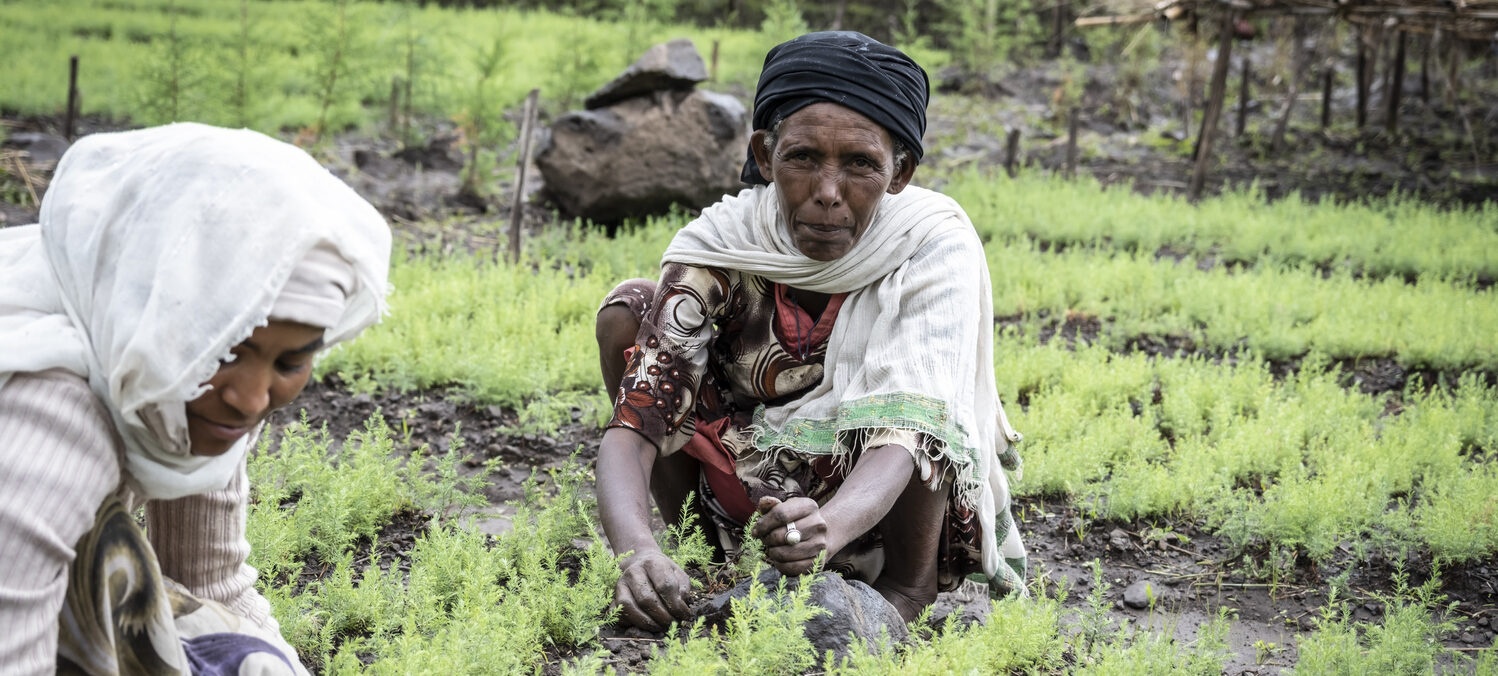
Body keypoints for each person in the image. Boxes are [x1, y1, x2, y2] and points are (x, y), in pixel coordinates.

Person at [594, 31, 1027, 632]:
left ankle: (906, 588)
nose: (827, 193)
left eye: (860, 165)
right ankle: (698, 552)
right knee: (633, 310)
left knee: (931, 410)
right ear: (765, 156)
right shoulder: (727, 242)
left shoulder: (928, 245)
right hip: (758, 489)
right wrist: (635, 550)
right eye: (802, 159)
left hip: (875, 495)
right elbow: (638, 418)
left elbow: (908, 430)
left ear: (899, 172)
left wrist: (832, 526)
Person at [0, 123, 391, 674]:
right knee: (111, 568)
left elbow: (215, 583)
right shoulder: (50, 417)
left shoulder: (178, 390)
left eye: (289, 362)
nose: (252, 399)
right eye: (223, 352)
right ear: (156, 306)